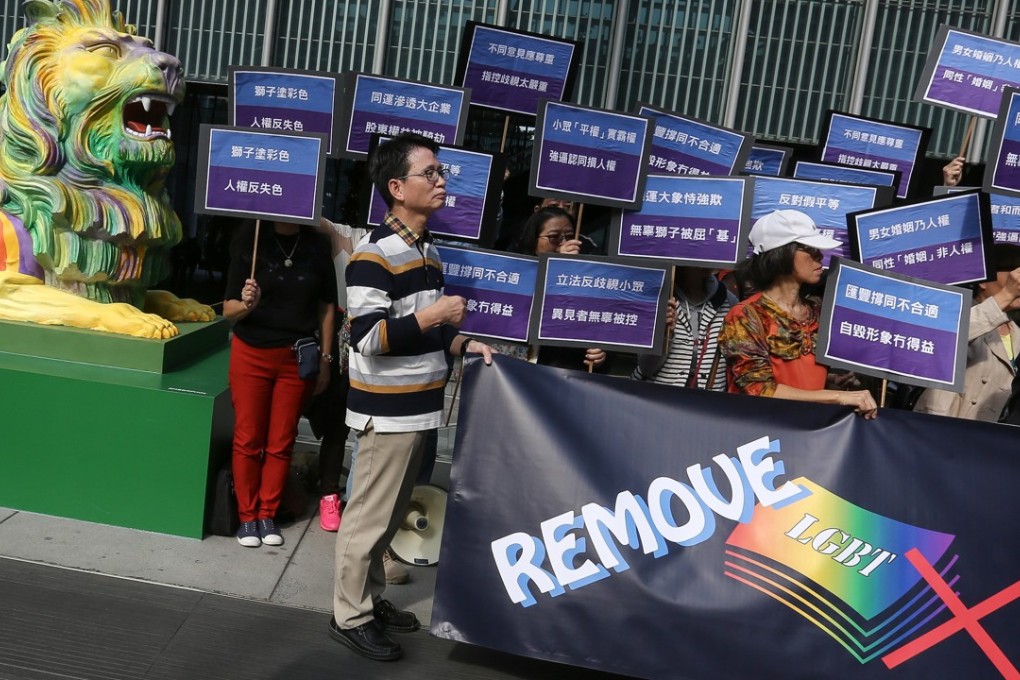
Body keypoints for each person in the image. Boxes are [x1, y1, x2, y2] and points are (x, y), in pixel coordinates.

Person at [329, 132, 494, 662]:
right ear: (397, 187)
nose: (442, 181)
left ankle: (369, 600)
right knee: (368, 518)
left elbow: (429, 332)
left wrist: (462, 340)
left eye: (442, 172)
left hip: (420, 411)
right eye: (431, 173)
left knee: (391, 515)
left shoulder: (429, 252)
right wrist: (436, 315)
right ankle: (348, 615)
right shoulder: (373, 255)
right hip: (387, 413)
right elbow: (369, 339)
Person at [223, 220, 337, 548]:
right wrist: (246, 304)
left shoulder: (316, 245)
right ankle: (247, 517)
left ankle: (267, 513)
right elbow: (228, 309)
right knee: (248, 438)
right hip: (250, 354)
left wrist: (326, 360)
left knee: (282, 439)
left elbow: (327, 306)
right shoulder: (249, 237)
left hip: (296, 357)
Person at [719, 209, 878, 418]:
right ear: (782, 253)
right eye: (809, 249)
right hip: (762, 437)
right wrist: (836, 396)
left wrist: (830, 382)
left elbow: (798, 377)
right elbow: (758, 389)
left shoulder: (817, 311)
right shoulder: (746, 316)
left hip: (812, 432)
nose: (819, 256)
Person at [914, 244, 1020, 421]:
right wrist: (1005, 296)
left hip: (982, 438)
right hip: (937, 428)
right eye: (1013, 275)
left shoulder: (1016, 332)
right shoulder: (957, 312)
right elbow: (943, 336)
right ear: (983, 281)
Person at [511, 206, 608, 371]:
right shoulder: (514, 274)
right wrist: (557, 267)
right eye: (554, 237)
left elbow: (601, 326)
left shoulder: (589, 282)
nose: (564, 243)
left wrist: (600, 354)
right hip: (514, 371)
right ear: (534, 240)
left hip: (560, 373)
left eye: (569, 237)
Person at [633, 266, 737, 389]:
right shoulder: (657, 297)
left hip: (707, 404)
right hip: (659, 401)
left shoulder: (729, 302)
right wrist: (665, 334)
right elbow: (646, 368)